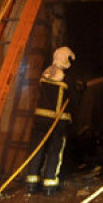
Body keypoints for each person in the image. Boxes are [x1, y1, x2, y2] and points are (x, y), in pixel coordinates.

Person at [25, 46, 83, 196]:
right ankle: (50, 184)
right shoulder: (66, 79)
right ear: (67, 60)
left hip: (40, 119)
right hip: (57, 122)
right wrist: (80, 89)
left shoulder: (45, 74)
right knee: (55, 151)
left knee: (37, 149)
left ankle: (32, 182)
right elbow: (74, 101)